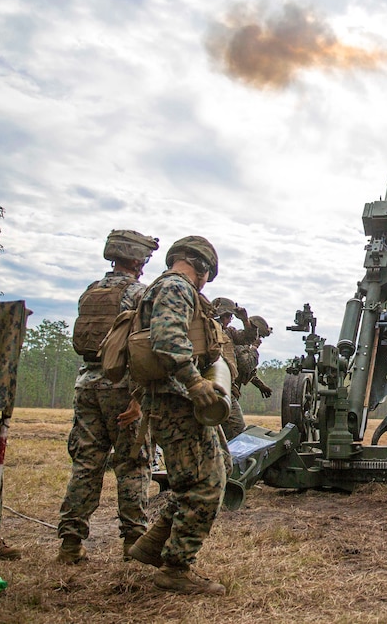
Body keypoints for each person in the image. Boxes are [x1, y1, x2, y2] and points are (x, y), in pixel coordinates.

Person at [126, 235, 231, 595]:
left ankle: (153, 544)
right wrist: (195, 383)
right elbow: (168, 340)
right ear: (199, 265)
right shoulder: (176, 287)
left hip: (176, 399)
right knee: (205, 485)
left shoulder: (160, 288)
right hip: (179, 400)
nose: (205, 282)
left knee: (212, 472)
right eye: (207, 274)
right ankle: (175, 568)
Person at [57, 229, 158, 565]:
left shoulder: (91, 291)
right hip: (123, 384)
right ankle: (134, 543)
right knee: (133, 463)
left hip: (86, 382)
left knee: (86, 463)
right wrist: (138, 398)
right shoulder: (139, 293)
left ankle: (70, 543)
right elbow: (144, 347)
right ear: (135, 259)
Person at [220, 313, 273, 442]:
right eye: (259, 336)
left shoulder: (241, 343)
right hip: (225, 391)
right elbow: (246, 365)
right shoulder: (239, 343)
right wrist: (254, 348)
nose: (259, 339)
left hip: (227, 391)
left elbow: (246, 373)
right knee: (237, 431)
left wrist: (261, 386)